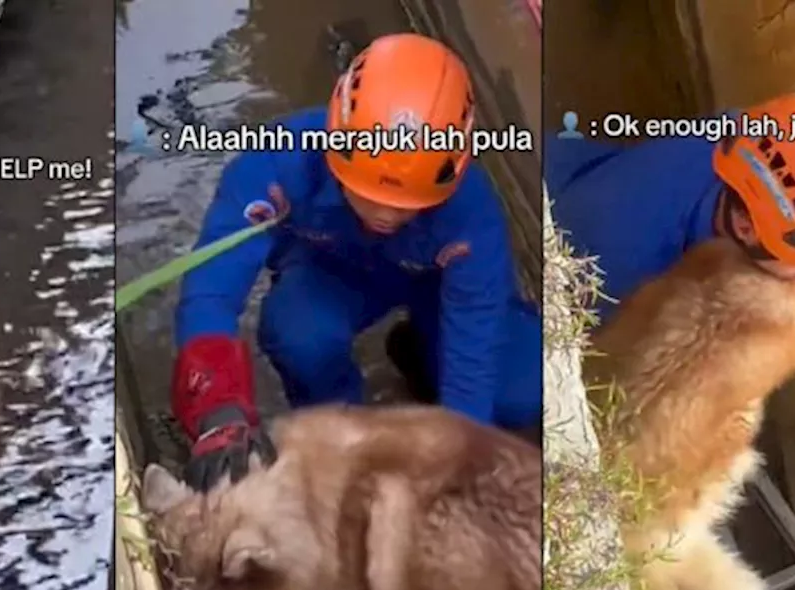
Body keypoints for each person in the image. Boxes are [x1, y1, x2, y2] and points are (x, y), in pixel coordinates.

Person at [169, 33, 543, 491]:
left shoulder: (472, 215)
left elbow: (476, 337)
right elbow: (212, 289)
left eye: (404, 202)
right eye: (369, 193)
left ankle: (422, 352)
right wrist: (217, 407)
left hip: (433, 285)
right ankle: (342, 436)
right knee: (297, 332)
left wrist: (456, 454)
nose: (386, 214)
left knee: (524, 390)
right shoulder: (275, 166)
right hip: (332, 272)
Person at [546, 92, 795, 327]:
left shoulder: (739, 134)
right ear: (746, 228)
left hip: (565, 164)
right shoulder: (615, 263)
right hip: (543, 269)